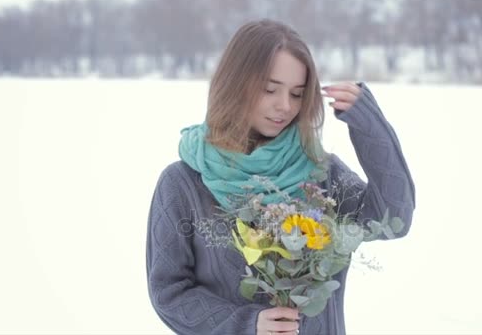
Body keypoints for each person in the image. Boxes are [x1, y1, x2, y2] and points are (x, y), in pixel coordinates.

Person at [146, 19, 416, 335]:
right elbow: (169, 292)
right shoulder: (182, 184)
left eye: (298, 93)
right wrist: (246, 323)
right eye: (269, 89)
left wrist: (370, 126)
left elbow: (392, 217)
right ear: (234, 84)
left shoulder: (320, 174)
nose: (285, 106)